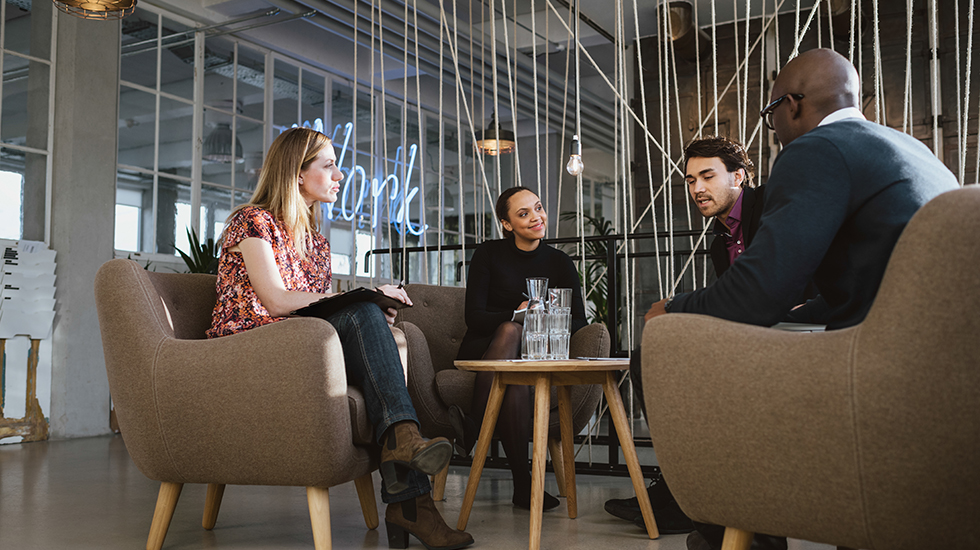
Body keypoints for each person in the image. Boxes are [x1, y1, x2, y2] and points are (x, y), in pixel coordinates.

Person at [644, 49, 958, 550]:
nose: (771, 130)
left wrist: (672, 311)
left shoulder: (815, 150)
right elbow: (877, 283)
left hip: (877, 381)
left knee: (695, 366)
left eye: (769, 115)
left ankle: (731, 522)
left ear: (791, 105)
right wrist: (802, 311)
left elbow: (755, 297)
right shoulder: (913, 150)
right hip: (943, 381)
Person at [206, 127, 473, 550]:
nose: (340, 174)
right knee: (366, 309)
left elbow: (315, 309)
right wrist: (364, 298)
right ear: (296, 173)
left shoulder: (316, 244)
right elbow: (275, 301)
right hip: (248, 351)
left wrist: (368, 309)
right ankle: (410, 484)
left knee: (377, 321)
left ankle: (409, 480)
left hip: (300, 346)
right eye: (329, 165)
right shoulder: (251, 221)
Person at [605, 136, 763, 535]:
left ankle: (680, 496)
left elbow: (754, 291)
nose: (697, 189)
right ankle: (679, 485)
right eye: (690, 180)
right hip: (742, 340)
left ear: (739, 177)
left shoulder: (767, 210)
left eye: (707, 176)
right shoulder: (719, 241)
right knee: (647, 358)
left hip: (784, 337)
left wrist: (677, 305)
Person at [455, 186, 588, 512]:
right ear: (507, 224)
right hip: (487, 347)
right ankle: (519, 481)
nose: (536, 217)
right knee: (509, 329)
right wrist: (517, 313)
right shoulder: (488, 254)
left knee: (516, 380)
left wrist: (543, 319)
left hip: (534, 352)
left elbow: (578, 322)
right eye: (523, 213)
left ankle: (480, 434)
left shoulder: (559, 262)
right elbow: (474, 316)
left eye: (538, 208)